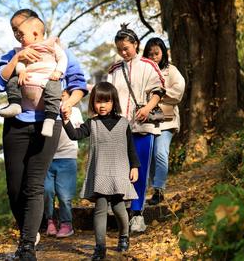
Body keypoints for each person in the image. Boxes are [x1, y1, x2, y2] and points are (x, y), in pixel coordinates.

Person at [0, 9, 87, 260]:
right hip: (17, 123)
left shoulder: (58, 50)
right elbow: (0, 81)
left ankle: (26, 246)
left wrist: (67, 104)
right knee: (15, 189)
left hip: (49, 122)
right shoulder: (13, 53)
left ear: (35, 27)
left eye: (19, 28)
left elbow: (78, 83)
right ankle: (29, 229)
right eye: (13, 30)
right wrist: (19, 58)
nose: (16, 34)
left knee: (34, 185)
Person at [62, 82, 140, 261]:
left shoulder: (123, 123)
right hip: (100, 173)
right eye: (98, 101)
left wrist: (135, 166)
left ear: (114, 102)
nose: (102, 105)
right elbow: (75, 135)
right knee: (100, 208)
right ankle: (100, 247)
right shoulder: (92, 123)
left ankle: (124, 237)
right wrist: (66, 120)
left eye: (107, 101)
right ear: (93, 103)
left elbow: (131, 148)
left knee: (120, 208)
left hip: (120, 171)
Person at [107, 24, 165, 233]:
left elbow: (159, 90)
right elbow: (108, 96)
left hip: (143, 126)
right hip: (120, 127)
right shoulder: (114, 70)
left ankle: (138, 214)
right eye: (120, 49)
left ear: (136, 45)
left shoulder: (148, 65)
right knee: (120, 169)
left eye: (127, 48)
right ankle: (122, 208)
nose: (123, 52)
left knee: (139, 170)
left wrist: (148, 107)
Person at [0, 16, 66, 138]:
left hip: (47, 80)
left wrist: (59, 71)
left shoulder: (52, 45)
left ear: (35, 34)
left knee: (55, 86)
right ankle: (15, 104)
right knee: (13, 80)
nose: (19, 37)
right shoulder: (23, 50)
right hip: (27, 83)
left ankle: (50, 119)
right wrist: (21, 71)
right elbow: (20, 63)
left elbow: (62, 58)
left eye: (22, 34)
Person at [142, 37, 186, 205]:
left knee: (161, 153)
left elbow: (178, 92)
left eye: (156, 53)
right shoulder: (144, 71)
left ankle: (159, 190)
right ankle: (154, 189)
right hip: (147, 121)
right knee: (150, 156)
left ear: (163, 53)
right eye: (150, 53)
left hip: (167, 121)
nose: (153, 56)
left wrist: (159, 94)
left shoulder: (171, 70)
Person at [43, 105, 83, 239]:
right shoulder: (45, 109)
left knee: (64, 195)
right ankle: (50, 221)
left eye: (64, 94)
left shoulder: (75, 111)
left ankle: (66, 224)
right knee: (47, 191)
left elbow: (79, 132)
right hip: (47, 157)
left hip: (67, 156)